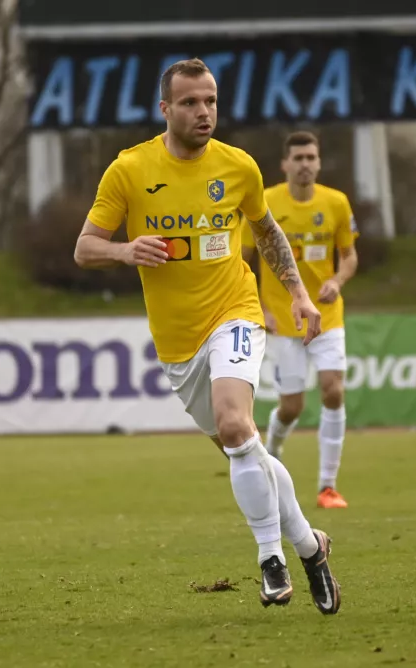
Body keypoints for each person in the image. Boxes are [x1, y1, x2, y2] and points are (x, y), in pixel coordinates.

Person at [73, 59, 341, 615]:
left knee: (236, 424)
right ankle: (310, 546)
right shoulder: (130, 169)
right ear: (165, 109)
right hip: (178, 344)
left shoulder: (237, 166)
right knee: (246, 449)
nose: (204, 112)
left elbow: (267, 232)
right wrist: (124, 250)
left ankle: (270, 558)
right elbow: (84, 247)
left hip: (235, 312)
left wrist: (297, 293)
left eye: (211, 101)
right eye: (191, 102)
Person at [241, 131, 359, 510]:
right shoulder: (266, 202)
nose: (305, 164)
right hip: (283, 319)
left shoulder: (336, 202)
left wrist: (336, 281)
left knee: (333, 390)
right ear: (285, 164)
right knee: (291, 406)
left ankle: (328, 486)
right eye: (298, 158)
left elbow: (349, 256)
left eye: (311, 157)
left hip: (326, 315)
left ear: (319, 162)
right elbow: (242, 260)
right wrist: (261, 307)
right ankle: (272, 456)